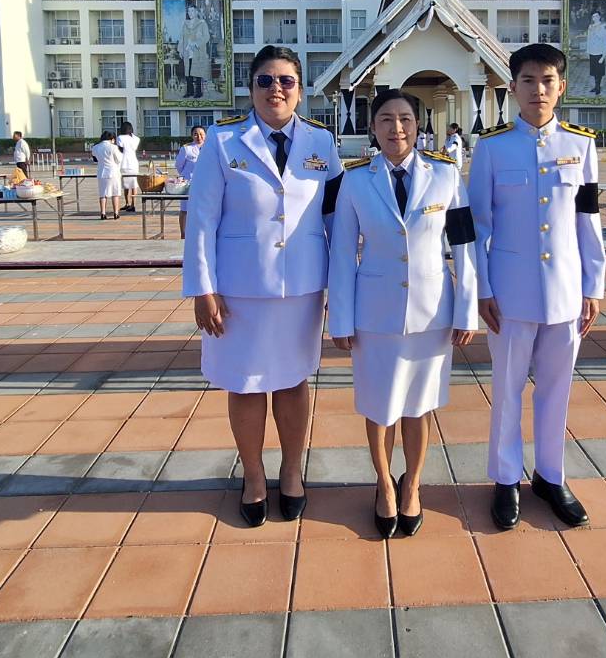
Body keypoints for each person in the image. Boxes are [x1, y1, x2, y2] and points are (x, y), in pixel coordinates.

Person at [183, 45, 342, 526]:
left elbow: (336, 218)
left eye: (286, 81)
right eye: (265, 80)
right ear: (251, 88)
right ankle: (253, 477)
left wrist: (343, 287)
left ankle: (291, 471)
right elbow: (201, 220)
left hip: (302, 288)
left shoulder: (321, 142)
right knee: (246, 385)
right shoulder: (223, 140)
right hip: (239, 291)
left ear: (300, 90)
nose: (276, 89)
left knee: (293, 382)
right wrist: (202, 288)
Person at [469, 42, 606, 530]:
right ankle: (506, 478)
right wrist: (482, 288)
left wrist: (594, 285)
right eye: (528, 80)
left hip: (566, 291)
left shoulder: (581, 146)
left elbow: (588, 219)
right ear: (513, 87)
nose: (538, 90)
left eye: (547, 81)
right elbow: (478, 227)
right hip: (509, 294)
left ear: (561, 87)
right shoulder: (492, 147)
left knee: (557, 389)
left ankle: (551, 475)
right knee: (507, 390)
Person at [329, 90, 477, 538]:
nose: (397, 128)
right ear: (373, 128)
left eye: (406, 119)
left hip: (432, 312)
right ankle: (383, 484)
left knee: (419, 406)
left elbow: (464, 246)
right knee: (379, 406)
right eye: (387, 120)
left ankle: (411, 484)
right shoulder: (356, 180)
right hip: (374, 314)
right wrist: (340, 318)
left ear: (418, 125)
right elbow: (342, 254)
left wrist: (467, 309)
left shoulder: (446, 175)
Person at [175, 125, 206, 237]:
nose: (199, 137)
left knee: (203, 209)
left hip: (204, 184)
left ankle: (201, 233)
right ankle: (183, 234)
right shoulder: (186, 149)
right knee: (185, 209)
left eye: (201, 134)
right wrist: (186, 176)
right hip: (188, 184)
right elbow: (179, 166)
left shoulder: (210, 148)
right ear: (192, 136)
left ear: (205, 135)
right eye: (196, 134)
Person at [179, 3, 213, 99]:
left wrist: (196, 43)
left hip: (197, 52)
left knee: (198, 73)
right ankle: (189, 92)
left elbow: (206, 37)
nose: (190, 13)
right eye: (189, 11)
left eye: (192, 11)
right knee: (188, 73)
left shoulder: (202, 23)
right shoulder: (185, 24)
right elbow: (181, 37)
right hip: (187, 52)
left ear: (196, 12)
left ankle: (198, 92)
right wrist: (180, 50)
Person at [92, 130, 122, 219]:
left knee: (102, 194)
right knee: (115, 193)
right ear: (112, 139)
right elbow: (119, 159)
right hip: (113, 172)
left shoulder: (96, 147)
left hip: (101, 172)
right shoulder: (113, 147)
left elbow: (95, 158)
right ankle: (116, 213)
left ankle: (103, 213)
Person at [116, 121, 141, 213]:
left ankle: (128, 203)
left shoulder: (120, 137)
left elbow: (120, 150)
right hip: (134, 164)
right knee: (134, 185)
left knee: (126, 185)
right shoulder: (136, 139)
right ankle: (133, 204)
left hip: (124, 163)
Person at [585, 11, 606, 95]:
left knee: (599, 71)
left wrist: (604, 55)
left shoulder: (603, 26)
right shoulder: (590, 26)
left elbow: (605, 40)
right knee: (594, 71)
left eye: (596, 16)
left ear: (599, 17)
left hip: (600, 52)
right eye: (593, 16)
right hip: (592, 52)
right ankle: (596, 86)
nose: (595, 18)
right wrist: (588, 51)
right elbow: (588, 39)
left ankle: (598, 87)